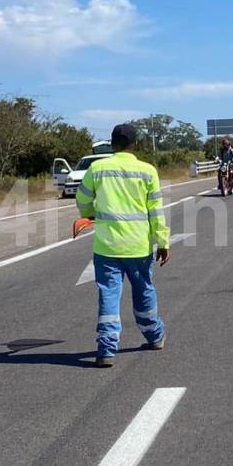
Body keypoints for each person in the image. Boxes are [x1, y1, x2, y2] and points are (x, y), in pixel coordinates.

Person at [76, 123, 171, 368]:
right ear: (135, 144)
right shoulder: (147, 171)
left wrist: (90, 213)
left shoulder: (97, 168)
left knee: (108, 294)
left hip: (106, 247)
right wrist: (162, 241)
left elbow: (83, 199)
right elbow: (155, 211)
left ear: (112, 143)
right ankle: (154, 335)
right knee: (144, 291)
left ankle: (106, 349)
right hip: (138, 246)